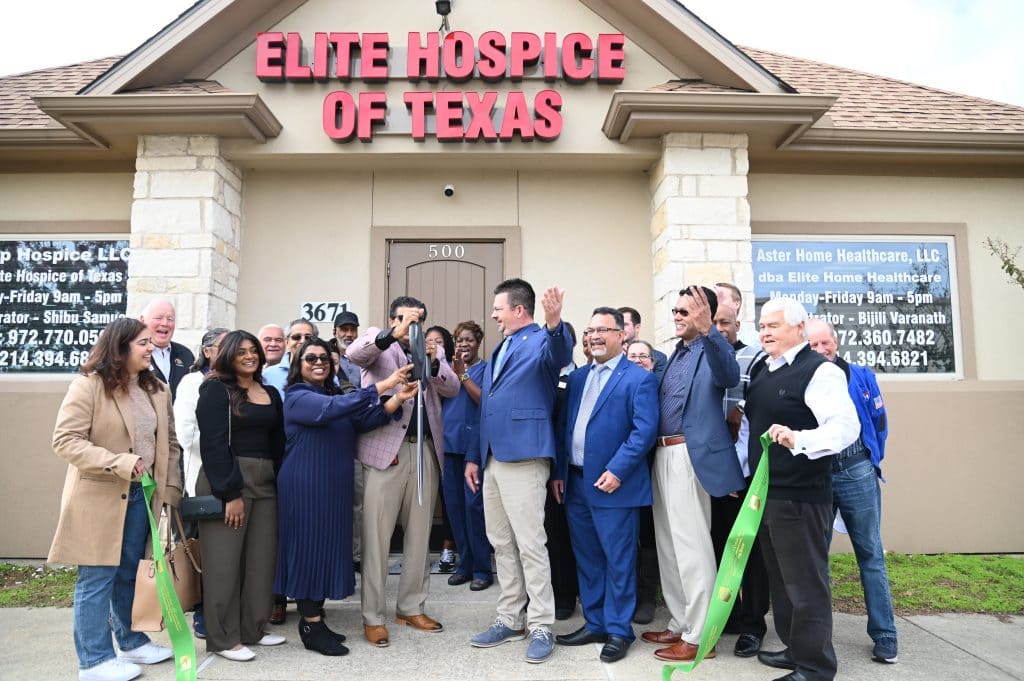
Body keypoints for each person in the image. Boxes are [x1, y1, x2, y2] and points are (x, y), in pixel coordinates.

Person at [49, 317, 180, 681]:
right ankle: (93, 661)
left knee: (129, 574)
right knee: (97, 578)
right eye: (143, 343)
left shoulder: (157, 389)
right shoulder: (88, 386)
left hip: (142, 496)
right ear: (120, 349)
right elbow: (65, 441)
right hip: (98, 497)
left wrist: (170, 490)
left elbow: (168, 444)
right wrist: (119, 462)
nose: (151, 348)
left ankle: (131, 640)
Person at [275, 337, 418, 656]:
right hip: (306, 484)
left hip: (333, 485)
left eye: (324, 357)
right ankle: (309, 624)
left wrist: (397, 399)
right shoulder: (297, 396)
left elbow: (363, 420)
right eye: (310, 358)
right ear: (298, 364)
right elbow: (332, 410)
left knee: (325, 550)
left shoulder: (332, 393)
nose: (318, 362)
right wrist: (384, 385)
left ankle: (317, 620)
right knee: (311, 550)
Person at [746, 298, 859, 681]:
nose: (765, 332)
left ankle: (815, 667)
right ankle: (796, 649)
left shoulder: (820, 371)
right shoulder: (763, 368)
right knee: (780, 580)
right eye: (762, 325)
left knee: (806, 583)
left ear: (799, 328)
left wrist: (800, 439)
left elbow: (845, 428)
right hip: (769, 493)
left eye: (774, 325)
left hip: (802, 495)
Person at [465, 278, 572, 664]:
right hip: (493, 458)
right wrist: (475, 457)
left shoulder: (544, 339)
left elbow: (560, 353)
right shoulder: (500, 346)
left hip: (526, 456)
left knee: (530, 544)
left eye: (499, 308)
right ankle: (510, 618)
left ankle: (541, 624)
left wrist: (556, 321)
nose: (494, 314)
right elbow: (488, 405)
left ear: (519, 310)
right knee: (501, 543)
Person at [346, 296, 459, 647]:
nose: (412, 325)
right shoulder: (378, 341)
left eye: (417, 319)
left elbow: (451, 387)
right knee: (377, 538)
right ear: (392, 318)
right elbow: (355, 354)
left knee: (420, 534)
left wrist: (431, 359)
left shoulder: (429, 349)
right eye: (405, 318)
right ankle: (373, 616)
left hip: (424, 450)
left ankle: (410, 606)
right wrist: (391, 334)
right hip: (385, 452)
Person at [643, 285, 744, 663]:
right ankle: (681, 622)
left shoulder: (712, 348)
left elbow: (730, 375)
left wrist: (709, 332)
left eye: (686, 311)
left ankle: (702, 635)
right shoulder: (676, 354)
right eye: (676, 310)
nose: (678, 316)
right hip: (662, 453)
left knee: (692, 546)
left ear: (705, 314)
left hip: (690, 454)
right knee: (669, 544)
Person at [551, 308, 658, 663]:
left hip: (614, 485)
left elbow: (643, 432)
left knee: (619, 560)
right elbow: (568, 429)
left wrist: (617, 471)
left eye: (602, 330)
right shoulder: (579, 378)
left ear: (621, 335)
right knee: (588, 558)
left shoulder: (638, 378)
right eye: (590, 330)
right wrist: (561, 473)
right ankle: (595, 621)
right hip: (578, 484)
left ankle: (618, 630)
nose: (594, 336)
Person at [806, 319, 898, 664]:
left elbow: (879, 422)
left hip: (856, 469)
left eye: (824, 343)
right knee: (816, 559)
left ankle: (885, 634)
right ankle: (817, 637)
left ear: (836, 342)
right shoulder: (804, 378)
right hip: (817, 473)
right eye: (812, 345)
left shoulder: (861, 376)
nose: (819, 351)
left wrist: (871, 460)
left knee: (870, 554)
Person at [195, 330, 287, 662]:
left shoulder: (271, 393)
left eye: (254, 351)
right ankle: (222, 638)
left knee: (261, 563)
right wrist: (229, 493)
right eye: (241, 351)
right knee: (224, 564)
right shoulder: (216, 390)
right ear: (228, 355)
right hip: (229, 481)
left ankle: (253, 629)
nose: (249, 356)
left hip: (266, 483)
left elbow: (278, 445)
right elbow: (213, 445)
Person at [711, 303, 771, 657]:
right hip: (716, 473)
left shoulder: (756, 359)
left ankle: (753, 624)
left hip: (749, 472)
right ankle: (728, 616)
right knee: (719, 548)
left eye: (726, 322)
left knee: (752, 553)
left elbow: (759, 407)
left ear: (738, 323)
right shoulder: (705, 357)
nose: (720, 329)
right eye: (714, 322)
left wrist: (743, 408)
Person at [172, 326, 229, 640]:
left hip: (237, 478)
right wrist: (225, 446)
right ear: (207, 351)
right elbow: (186, 434)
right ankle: (203, 613)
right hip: (204, 477)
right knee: (204, 551)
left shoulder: (240, 382)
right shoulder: (193, 381)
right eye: (223, 345)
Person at [440, 321, 493, 591]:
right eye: (459, 339)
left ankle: (483, 568)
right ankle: (465, 565)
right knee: (455, 510)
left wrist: (463, 375)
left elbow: (485, 401)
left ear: (478, 343)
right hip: (448, 447)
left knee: (474, 509)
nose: (463, 344)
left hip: (473, 449)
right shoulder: (446, 370)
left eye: (469, 340)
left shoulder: (486, 369)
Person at [545, 321, 580, 620]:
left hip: (576, 468)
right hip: (547, 466)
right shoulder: (544, 375)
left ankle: (577, 593)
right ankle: (561, 594)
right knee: (553, 534)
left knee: (575, 535)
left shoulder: (580, 377)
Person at [624, 339, 659, 625]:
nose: (638, 360)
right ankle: (630, 595)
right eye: (632, 355)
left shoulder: (659, 387)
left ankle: (647, 598)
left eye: (643, 356)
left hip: (655, 470)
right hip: (626, 470)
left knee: (648, 536)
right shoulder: (620, 385)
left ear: (653, 361)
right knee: (627, 538)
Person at [426, 324, 459, 573]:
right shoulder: (421, 366)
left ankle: (449, 546)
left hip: (453, 443)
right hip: (429, 441)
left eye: (439, 341)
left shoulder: (452, 369)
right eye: (429, 341)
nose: (434, 345)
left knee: (449, 500)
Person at [138, 299, 194, 402]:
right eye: (158, 318)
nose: (165, 323)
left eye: (170, 319)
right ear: (142, 320)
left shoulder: (185, 354)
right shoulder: (134, 354)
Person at [263, 319, 317, 396]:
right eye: (296, 337)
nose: (302, 341)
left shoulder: (324, 373)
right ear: (287, 342)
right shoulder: (267, 375)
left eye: (308, 337)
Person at [617, 307, 668, 379]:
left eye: (625, 324)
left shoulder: (658, 358)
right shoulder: (609, 358)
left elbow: (656, 387)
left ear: (637, 327)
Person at [330, 311, 362, 387]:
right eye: (344, 329)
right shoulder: (326, 355)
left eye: (353, 330)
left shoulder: (364, 355)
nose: (349, 334)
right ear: (335, 332)